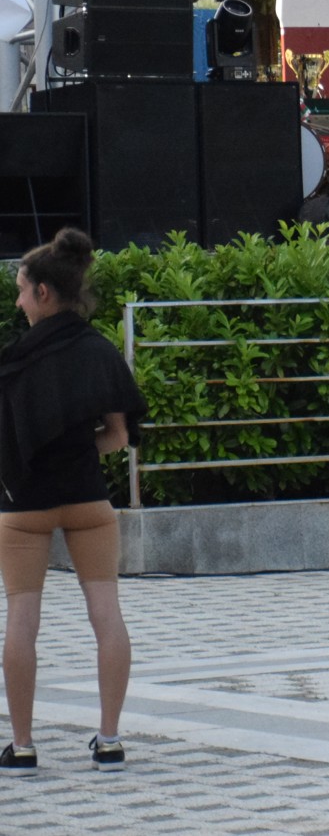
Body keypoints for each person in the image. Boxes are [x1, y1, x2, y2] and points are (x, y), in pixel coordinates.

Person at [0, 229, 143, 773]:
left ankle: (22, 746)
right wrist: (80, 451)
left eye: (21, 290)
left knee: (22, 619)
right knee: (107, 615)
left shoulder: (16, 361)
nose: (18, 301)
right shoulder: (99, 352)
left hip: (25, 507)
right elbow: (119, 436)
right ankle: (109, 741)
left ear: (43, 292)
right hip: (88, 501)